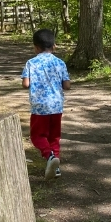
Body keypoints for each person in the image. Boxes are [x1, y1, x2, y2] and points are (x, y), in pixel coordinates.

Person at [22, 29, 71, 180]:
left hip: (39, 107)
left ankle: (49, 156)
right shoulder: (60, 63)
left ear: (36, 47)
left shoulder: (31, 63)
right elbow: (67, 85)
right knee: (54, 137)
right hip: (56, 106)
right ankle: (56, 168)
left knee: (37, 136)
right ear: (54, 46)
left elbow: (26, 84)